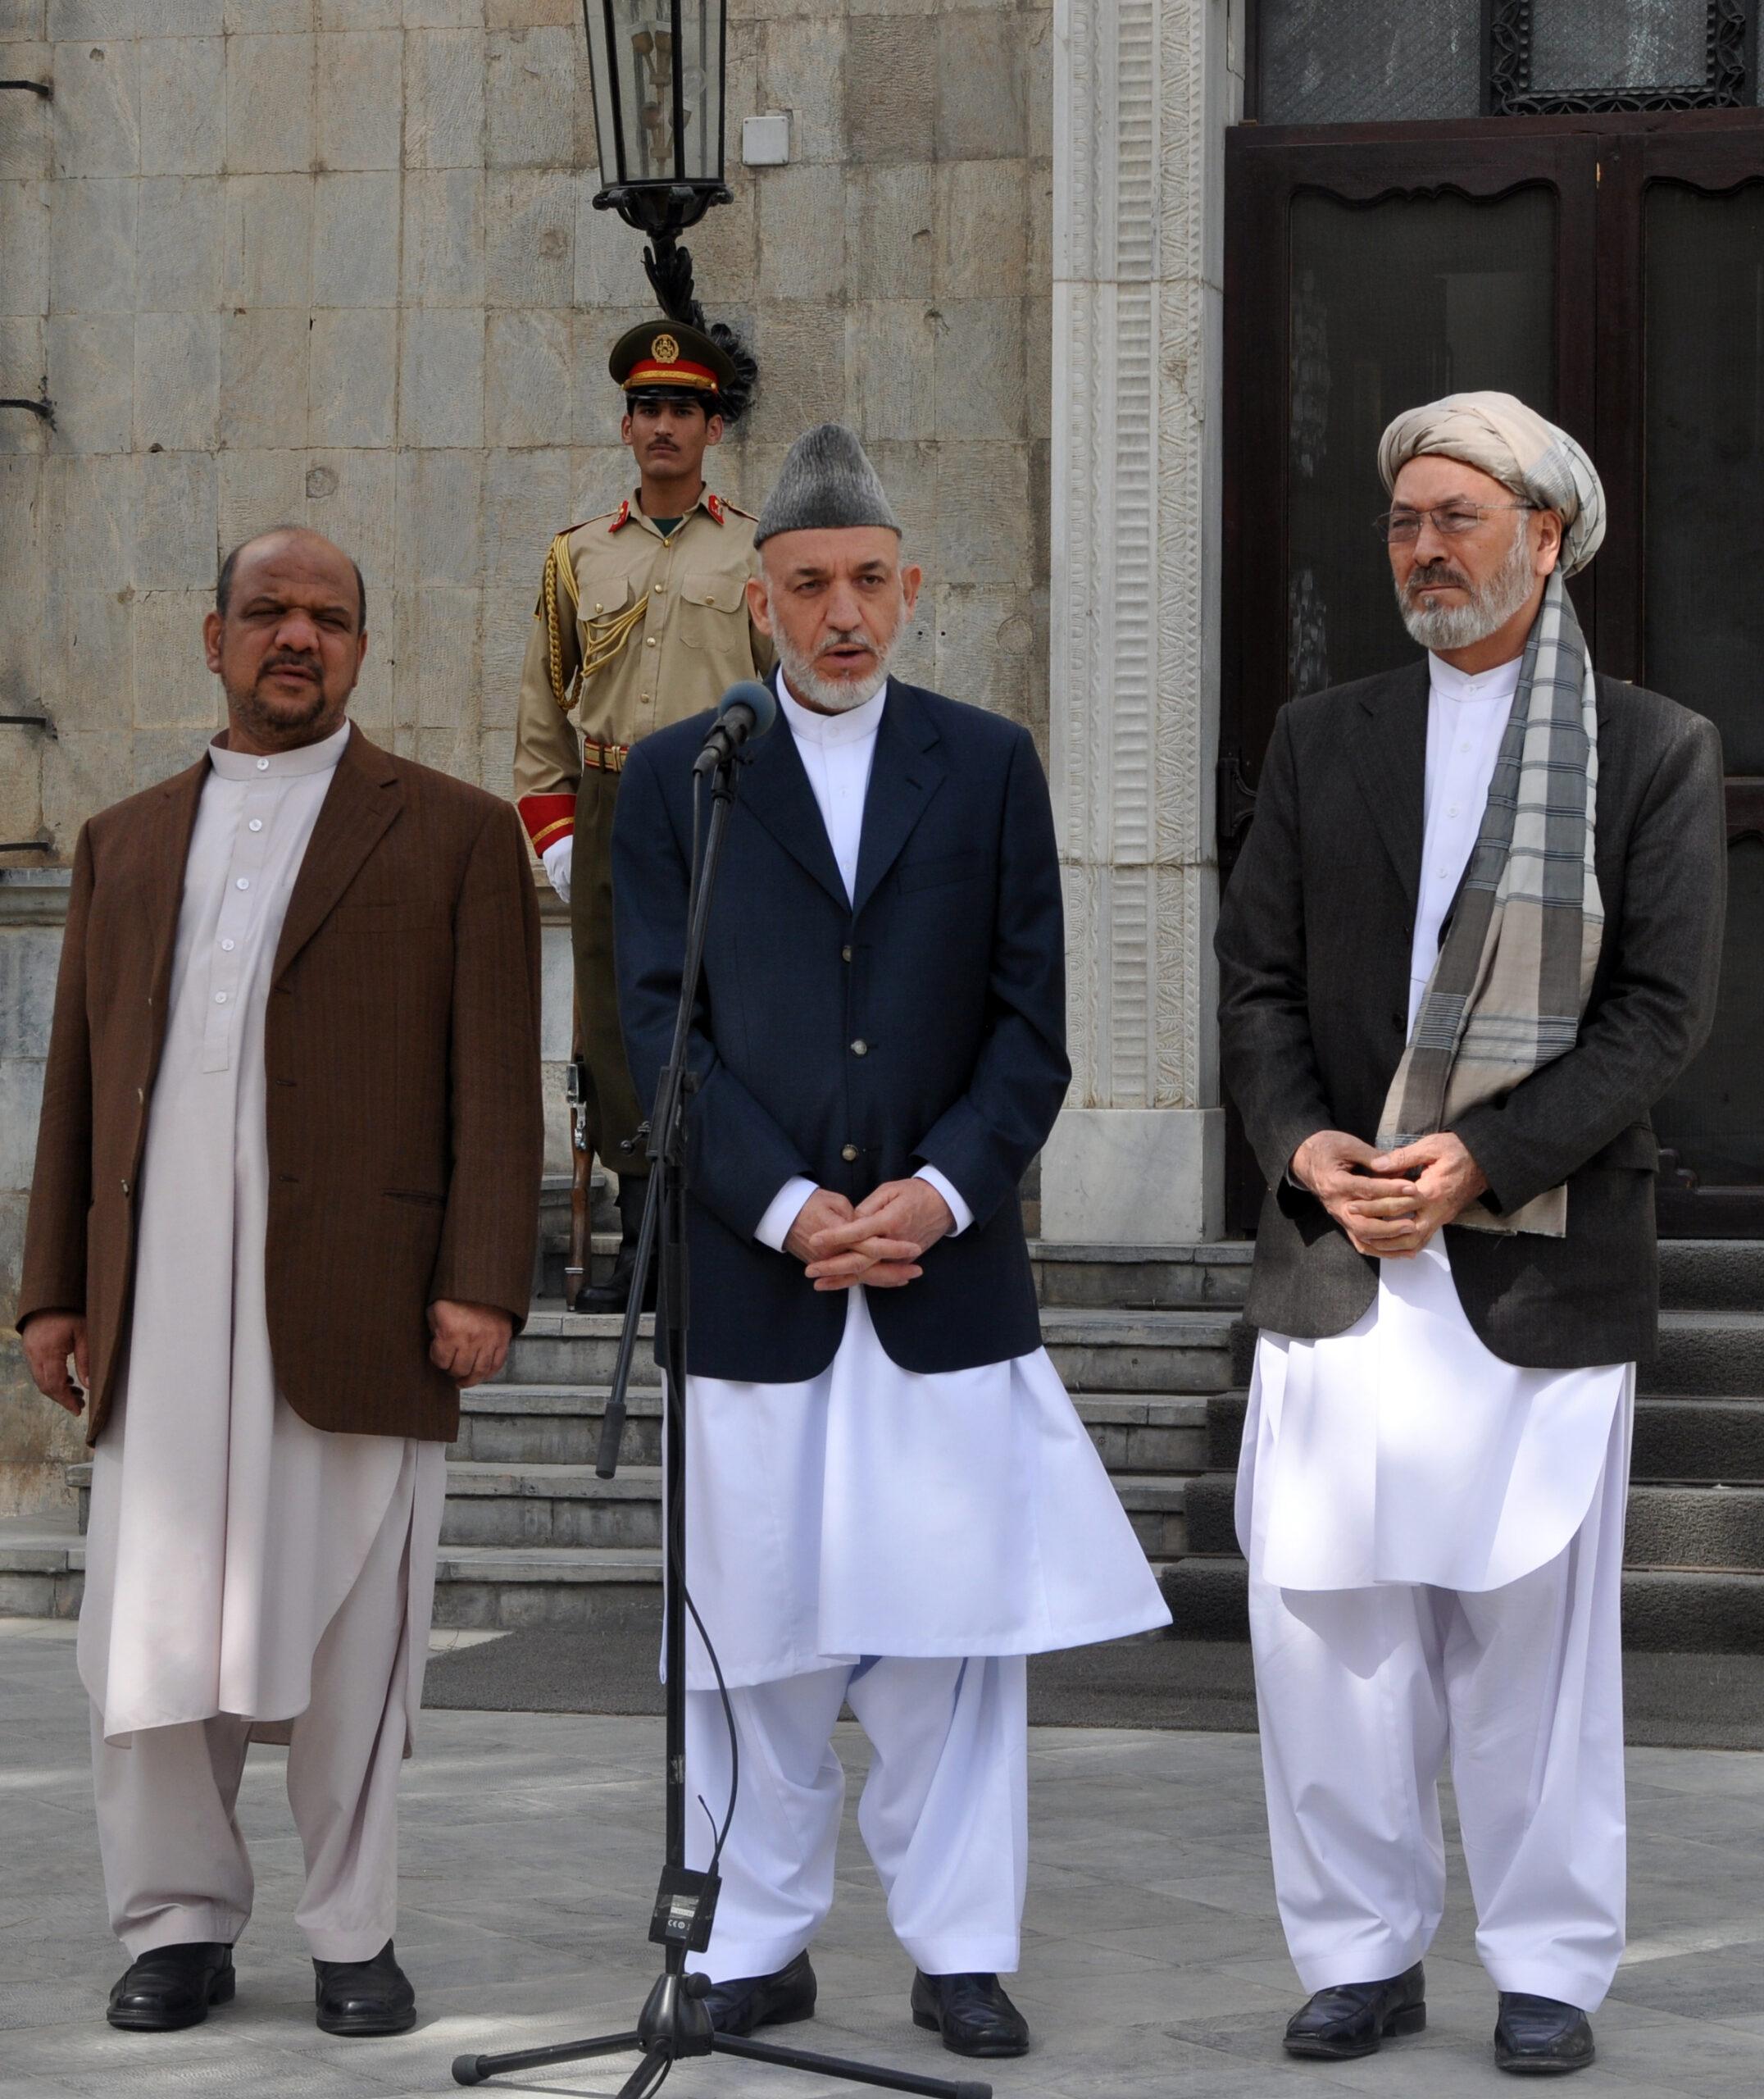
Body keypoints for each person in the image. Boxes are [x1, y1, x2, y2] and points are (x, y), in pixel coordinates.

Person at [612, 424, 1171, 2062]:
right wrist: (782, 1203)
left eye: (867, 579)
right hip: (756, 1277)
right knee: (753, 1639)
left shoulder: (985, 760)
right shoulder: (677, 777)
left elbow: (1029, 1023)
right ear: (761, 603)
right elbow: (657, 1026)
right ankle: (758, 1939)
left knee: (945, 1638)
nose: (841, 610)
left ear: (908, 587)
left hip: (940, 1275)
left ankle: (958, 1945)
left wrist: (934, 1189)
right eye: (808, 585)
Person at [1215, 394, 1726, 2077]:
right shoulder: (1321, 734)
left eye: (1455, 515)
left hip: (1528, 1257)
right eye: (1399, 520)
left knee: (1532, 1647)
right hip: (1339, 1253)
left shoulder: (1650, 749)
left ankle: (1545, 1963)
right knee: (1330, 1636)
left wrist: (1474, 1159)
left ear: (1544, 533)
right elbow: (1258, 984)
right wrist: (1307, 1144)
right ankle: (1356, 1952)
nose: (1420, 547)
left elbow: (1655, 1017)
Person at [17, 527, 543, 2038]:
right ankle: (176, 1924)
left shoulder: (450, 833)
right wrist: (53, 1289)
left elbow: (495, 1086)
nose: (295, 637)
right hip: (158, 1313)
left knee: (356, 1636)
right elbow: (74, 1088)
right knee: (152, 1620)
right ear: (213, 638)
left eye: (326, 618)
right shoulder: (121, 841)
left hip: (365, 1302)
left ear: (364, 652)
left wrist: (484, 1281)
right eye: (267, 613)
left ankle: (351, 1930)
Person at [512, 317, 771, 1311]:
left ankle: (718, 1217)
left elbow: (780, 695)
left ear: (713, 428)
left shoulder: (757, 550)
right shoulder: (577, 557)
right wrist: (562, 839)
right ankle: (641, 1227)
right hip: (613, 799)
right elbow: (542, 716)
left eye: (685, 409)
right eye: (648, 408)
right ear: (625, 427)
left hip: (725, 798)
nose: (665, 425)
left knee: (728, 1008)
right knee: (618, 1026)